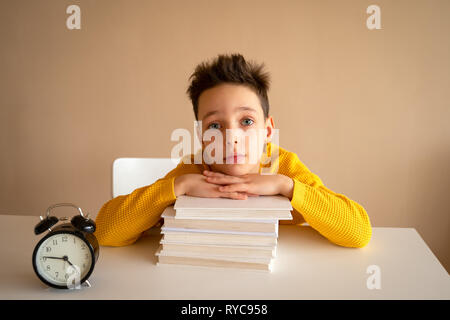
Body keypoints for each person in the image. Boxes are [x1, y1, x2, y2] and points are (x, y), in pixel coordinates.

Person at [94, 53, 372, 248]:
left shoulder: (283, 166)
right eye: (215, 125)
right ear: (202, 137)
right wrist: (180, 185)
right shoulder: (195, 169)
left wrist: (286, 186)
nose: (231, 138)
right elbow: (105, 232)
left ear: (267, 130)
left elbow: (358, 232)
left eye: (246, 121)